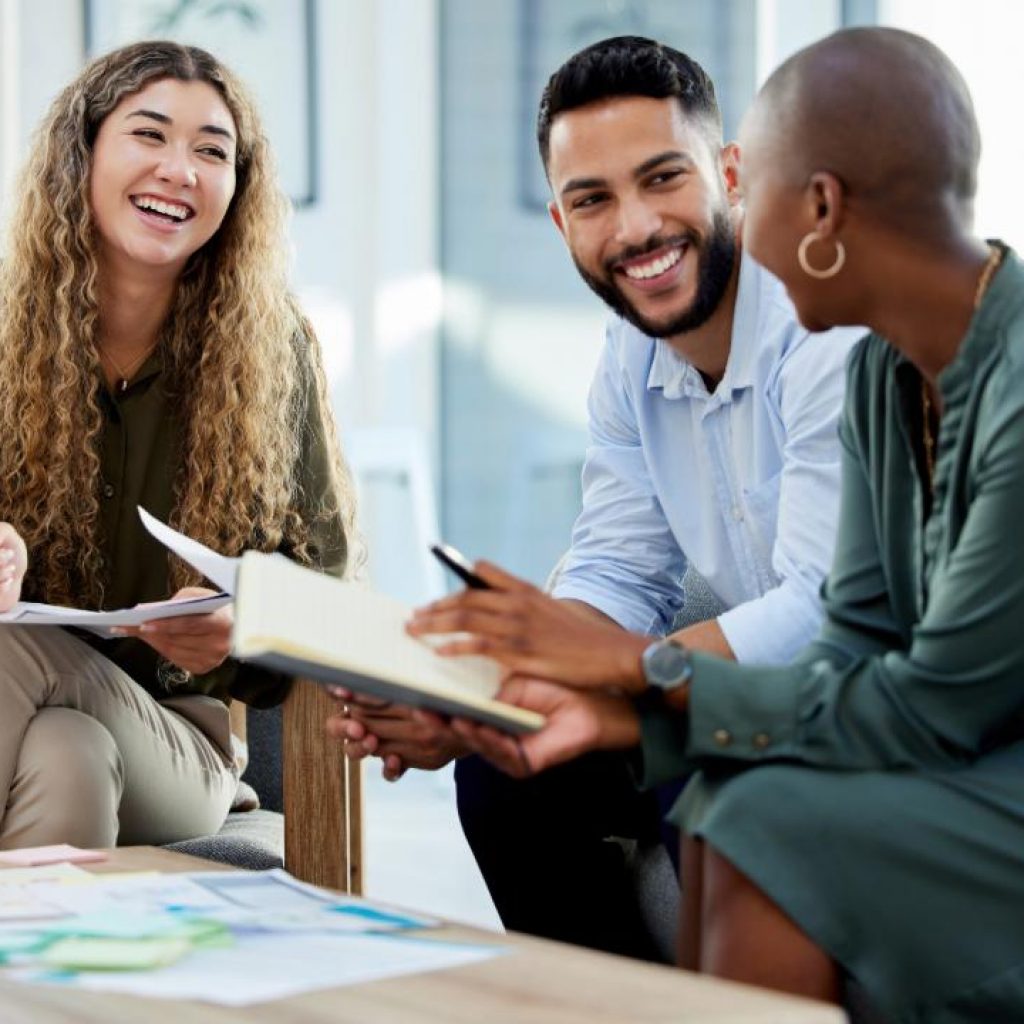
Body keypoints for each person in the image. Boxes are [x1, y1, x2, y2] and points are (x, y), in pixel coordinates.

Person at [411, 25, 1024, 1022]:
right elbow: (850, 625)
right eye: (591, 199)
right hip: (873, 707)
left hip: (968, 746)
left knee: (748, 811)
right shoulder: (880, 372)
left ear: (803, 200)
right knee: (638, 788)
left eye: (736, 184)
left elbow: (914, 691)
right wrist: (525, 686)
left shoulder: (907, 357)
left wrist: (632, 688)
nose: (644, 228)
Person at [334, 36, 861, 959]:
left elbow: (821, 612)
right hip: (739, 681)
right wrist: (474, 699)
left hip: (849, 699)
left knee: (698, 762)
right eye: (593, 200)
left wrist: (611, 670)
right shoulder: (631, 355)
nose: (635, 229)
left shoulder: (822, 328)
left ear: (729, 172)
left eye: (663, 178)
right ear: (560, 221)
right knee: (506, 775)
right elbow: (619, 566)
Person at [0, 41, 356, 851]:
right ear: (82, 153)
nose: (180, 169)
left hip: (180, 743)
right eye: (150, 135)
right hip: (46, 729)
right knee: (69, 757)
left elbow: (330, 592)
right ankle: (57, 984)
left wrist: (243, 624)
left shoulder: (271, 351)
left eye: (210, 151)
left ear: (238, 187)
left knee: (13, 656)